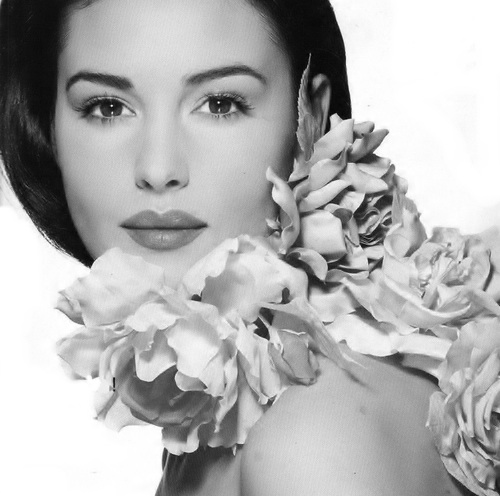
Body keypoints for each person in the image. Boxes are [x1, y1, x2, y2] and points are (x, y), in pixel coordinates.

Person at [0, 1, 476, 495]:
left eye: (220, 104)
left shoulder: (308, 440)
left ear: (311, 114)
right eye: (108, 108)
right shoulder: (243, 408)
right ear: (47, 124)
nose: (158, 169)